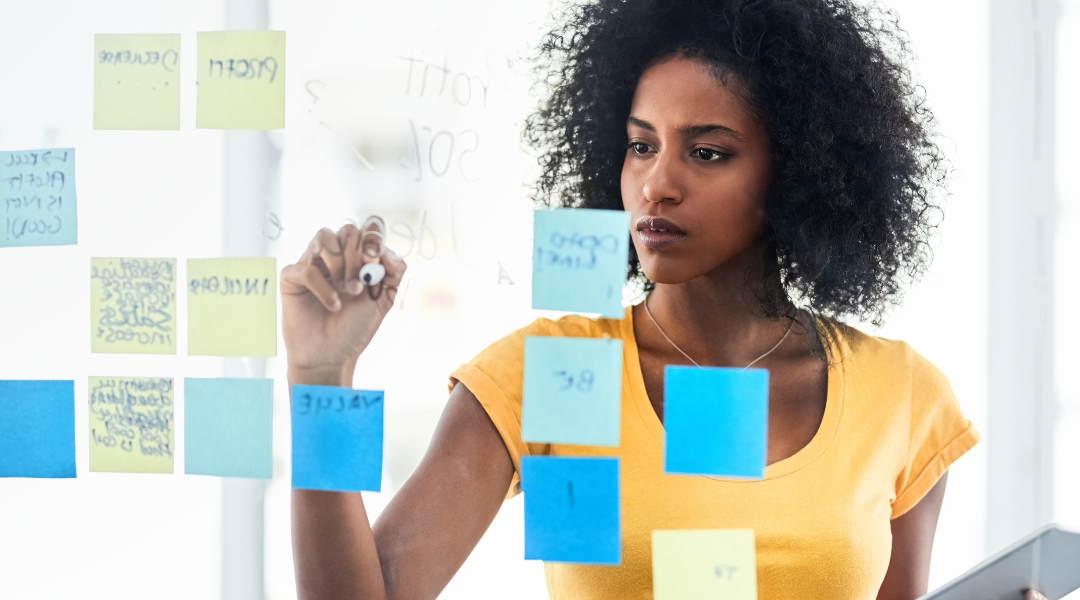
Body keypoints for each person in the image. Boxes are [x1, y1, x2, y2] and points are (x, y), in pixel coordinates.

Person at [283, 0, 1034, 598]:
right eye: (642, 145)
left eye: (707, 152)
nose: (657, 183)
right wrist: (321, 379)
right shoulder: (549, 372)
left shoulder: (903, 395)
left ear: (800, 174)